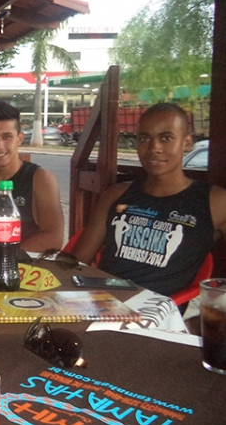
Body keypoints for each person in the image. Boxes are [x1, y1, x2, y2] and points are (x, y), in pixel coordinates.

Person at [71, 103, 226, 296]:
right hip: (101, 301)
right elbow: (76, 262)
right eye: (144, 138)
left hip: (155, 310)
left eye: (166, 138)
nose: (154, 148)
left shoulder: (215, 201)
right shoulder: (117, 194)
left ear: (186, 142)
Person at [0, 101, 64, 252]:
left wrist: (2, 258)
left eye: (7, 137)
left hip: (21, 264)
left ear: (19, 139)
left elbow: (53, 238)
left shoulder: (40, 179)